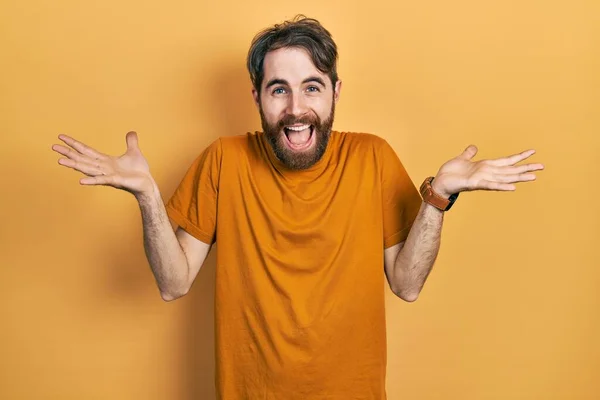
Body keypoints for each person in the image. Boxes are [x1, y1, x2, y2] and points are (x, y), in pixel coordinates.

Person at [51, 15, 544, 400]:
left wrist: (436, 200)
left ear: (335, 92)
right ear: (257, 97)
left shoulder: (372, 157)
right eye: (278, 89)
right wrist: (148, 196)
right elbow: (173, 283)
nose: (295, 109)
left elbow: (407, 285)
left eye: (311, 86)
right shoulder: (223, 160)